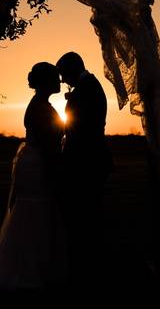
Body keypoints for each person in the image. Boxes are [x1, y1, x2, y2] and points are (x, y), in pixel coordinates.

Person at [0, 62, 68, 291]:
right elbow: (48, 145)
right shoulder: (40, 108)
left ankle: (35, 266)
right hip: (38, 164)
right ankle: (27, 269)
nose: (59, 82)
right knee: (34, 211)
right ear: (45, 82)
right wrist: (56, 173)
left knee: (36, 212)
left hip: (35, 161)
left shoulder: (41, 104)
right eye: (55, 78)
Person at [56, 51, 114, 290]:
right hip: (85, 160)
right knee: (85, 214)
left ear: (72, 69)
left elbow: (83, 128)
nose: (62, 81)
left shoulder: (88, 88)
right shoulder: (86, 86)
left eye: (63, 75)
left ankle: (90, 267)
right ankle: (88, 261)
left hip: (87, 161)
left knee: (88, 214)